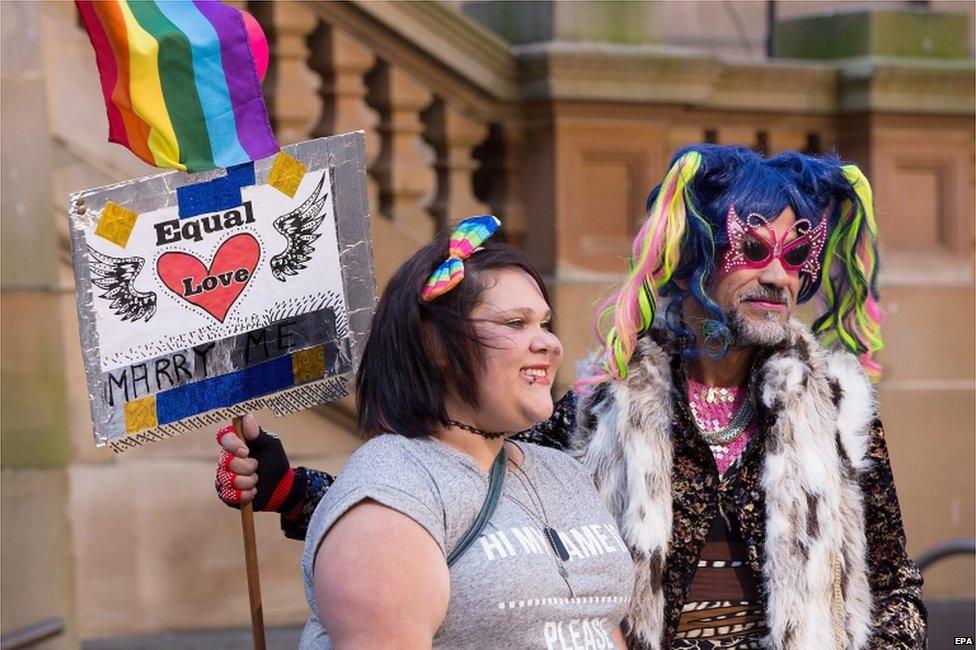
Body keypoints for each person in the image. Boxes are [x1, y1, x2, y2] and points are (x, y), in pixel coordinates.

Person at [217, 145, 926, 649]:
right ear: (698, 254)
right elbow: (465, 483)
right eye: (755, 249)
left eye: (798, 257)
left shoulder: (841, 407)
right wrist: (289, 488)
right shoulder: (603, 402)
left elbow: (893, 586)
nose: (779, 277)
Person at [219, 216, 635, 649]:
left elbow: (596, 625)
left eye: (545, 324)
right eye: (516, 323)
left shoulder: (563, 471)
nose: (549, 344)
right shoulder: (389, 494)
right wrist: (292, 491)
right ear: (435, 345)